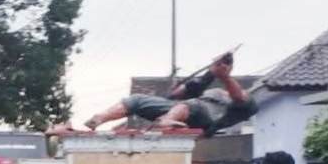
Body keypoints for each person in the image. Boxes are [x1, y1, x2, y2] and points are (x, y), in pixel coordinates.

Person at [68, 55, 258, 138]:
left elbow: (238, 97)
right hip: (180, 111)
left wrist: (224, 75)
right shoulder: (211, 91)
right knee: (137, 100)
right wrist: (211, 70)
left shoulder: (246, 103)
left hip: (205, 120)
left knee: (191, 106)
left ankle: (166, 121)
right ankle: (98, 119)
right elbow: (180, 94)